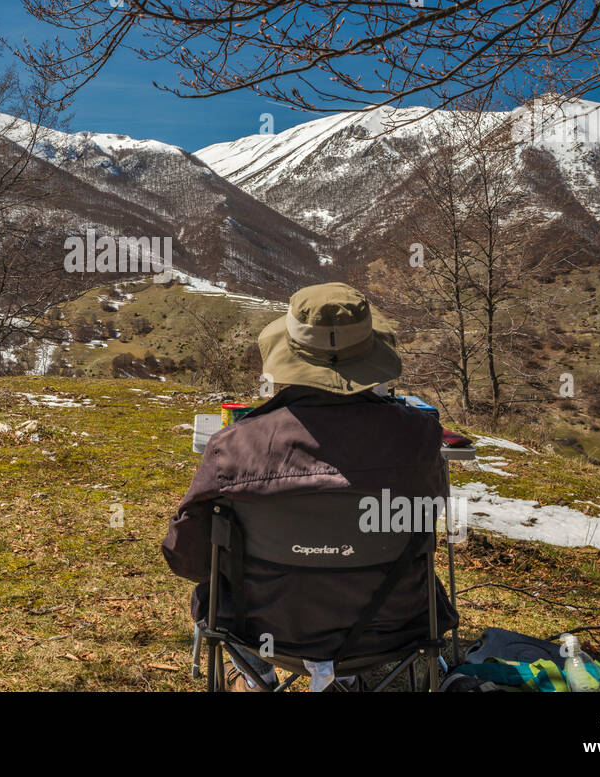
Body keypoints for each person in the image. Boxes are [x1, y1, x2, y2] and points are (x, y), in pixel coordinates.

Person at [161, 282, 457, 691]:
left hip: (258, 624)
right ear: (371, 356)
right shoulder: (421, 437)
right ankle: (345, 673)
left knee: (216, 589)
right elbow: (426, 526)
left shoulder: (233, 446)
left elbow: (188, 558)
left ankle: (251, 677)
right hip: (390, 626)